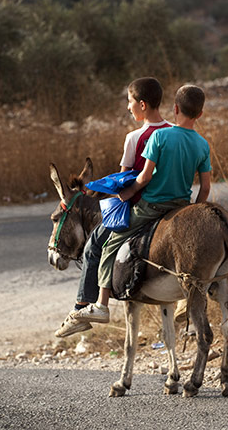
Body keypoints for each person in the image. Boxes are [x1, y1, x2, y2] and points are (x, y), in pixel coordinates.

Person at [73, 84, 211, 324]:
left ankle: (102, 305)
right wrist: (195, 210)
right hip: (181, 206)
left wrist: (127, 193)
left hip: (152, 206)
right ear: (200, 114)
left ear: (175, 108)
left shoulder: (159, 136)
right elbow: (206, 188)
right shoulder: (202, 144)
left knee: (109, 244)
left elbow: (145, 177)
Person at [54, 77, 171, 338]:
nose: (128, 108)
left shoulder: (136, 138)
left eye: (130, 103)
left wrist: (101, 189)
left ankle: (84, 307)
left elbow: (124, 180)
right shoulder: (175, 131)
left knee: (95, 245)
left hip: (141, 206)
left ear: (142, 104)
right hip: (175, 202)